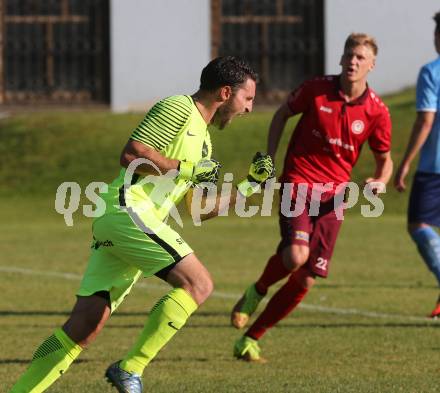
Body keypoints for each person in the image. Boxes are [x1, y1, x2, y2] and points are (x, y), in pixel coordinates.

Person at [10, 56, 274, 392]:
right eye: (247, 99)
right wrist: (184, 168)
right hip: (128, 210)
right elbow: (132, 155)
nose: (249, 108)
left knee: (85, 325)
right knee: (198, 284)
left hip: (127, 222)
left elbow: (196, 210)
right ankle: (130, 368)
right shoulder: (179, 108)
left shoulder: (205, 142)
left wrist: (249, 187)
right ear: (225, 92)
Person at [230, 33, 393, 362]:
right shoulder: (316, 89)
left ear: (372, 65)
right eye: (349, 54)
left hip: (335, 198)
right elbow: (280, 115)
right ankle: (257, 290)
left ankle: (251, 338)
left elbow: (385, 158)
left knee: (306, 279)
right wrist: (270, 159)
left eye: (361, 57)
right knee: (295, 257)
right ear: (340, 58)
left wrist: (381, 180)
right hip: (299, 183)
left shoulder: (377, 111)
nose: (353, 61)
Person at [394, 12, 440, 318]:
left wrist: (406, 162)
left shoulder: (432, 71)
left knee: (418, 224)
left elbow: (425, 120)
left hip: (434, 166)